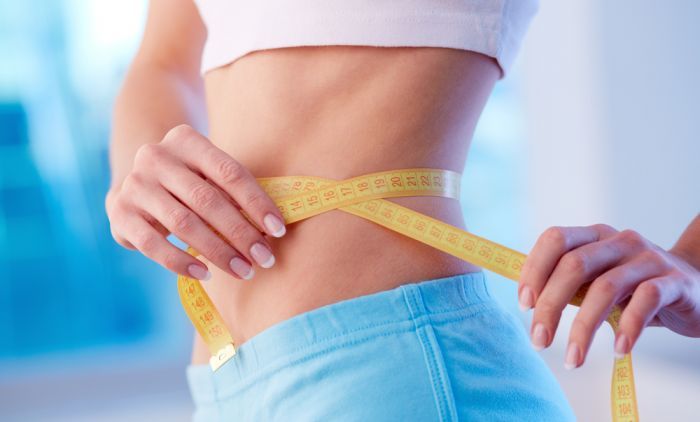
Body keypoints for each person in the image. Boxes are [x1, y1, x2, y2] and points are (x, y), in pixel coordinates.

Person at [104, 0, 700, 420]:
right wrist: (142, 169)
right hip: (223, 386)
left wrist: (692, 263)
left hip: (399, 370)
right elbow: (163, 63)